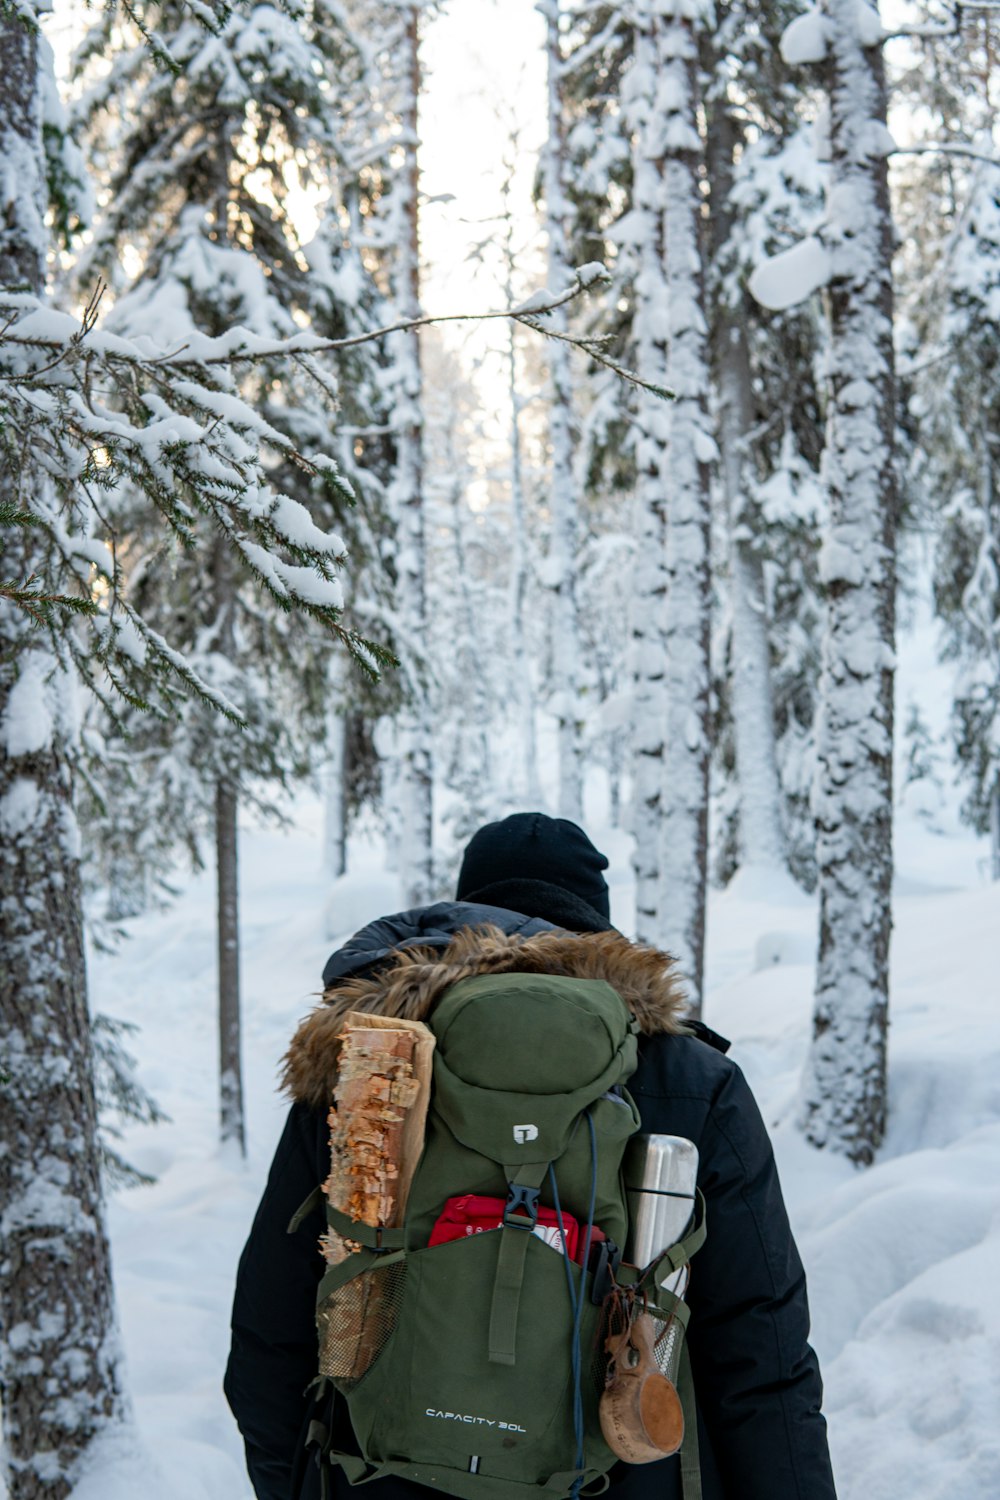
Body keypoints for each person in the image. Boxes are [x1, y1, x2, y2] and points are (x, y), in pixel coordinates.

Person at [224, 812, 837, 1500]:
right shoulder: (691, 1082)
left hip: (381, 1478)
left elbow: (267, 1336)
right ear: (600, 932)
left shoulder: (369, 1063)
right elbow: (764, 1357)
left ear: (460, 915)